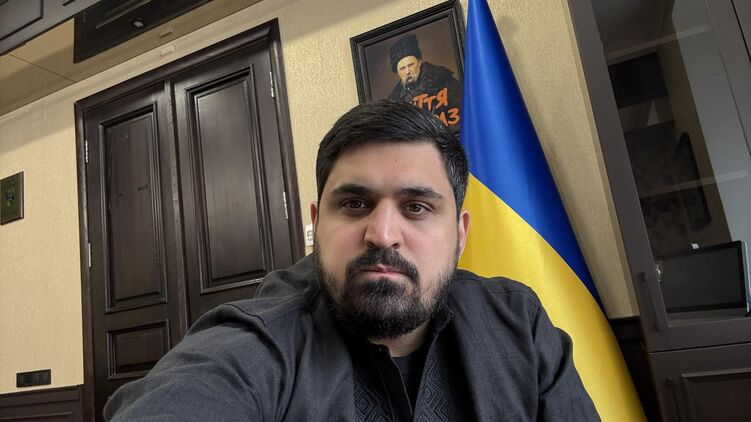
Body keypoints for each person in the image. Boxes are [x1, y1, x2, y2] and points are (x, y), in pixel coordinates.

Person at [104, 100, 599, 421]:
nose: (382, 234)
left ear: (460, 235)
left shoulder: (519, 323)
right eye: (355, 204)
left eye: (417, 207)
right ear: (317, 223)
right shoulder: (258, 341)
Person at [388, 34, 462, 128]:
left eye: (411, 65)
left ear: (419, 62)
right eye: (402, 68)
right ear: (397, 72)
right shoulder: (395, 100)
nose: (407, 71)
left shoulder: (443, 81)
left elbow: (461, 113)